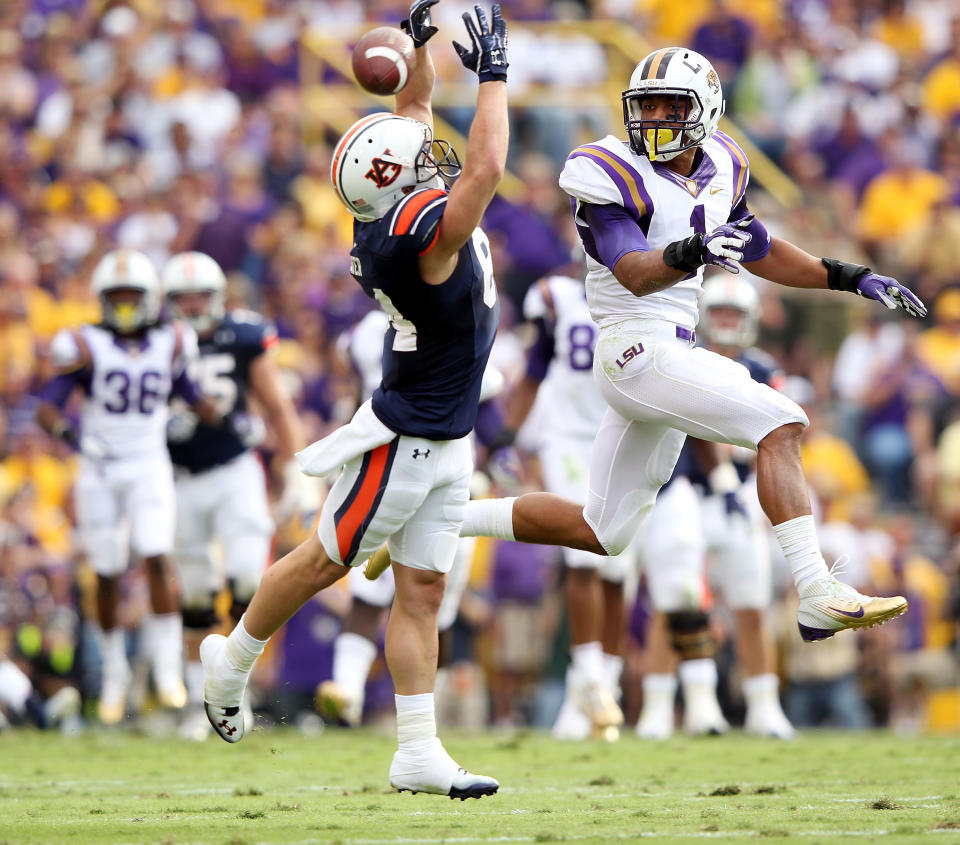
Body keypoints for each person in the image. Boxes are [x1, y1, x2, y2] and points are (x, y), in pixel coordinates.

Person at [459, 46, 924, 648]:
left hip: (661, 357)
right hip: (635, 347)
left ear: (706, 111)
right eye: (643, 105)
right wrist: (694, 251)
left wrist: (849, 276)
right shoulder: (604, 168)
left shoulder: (725, 162)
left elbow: (756, 246)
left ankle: (445, 521)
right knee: (782, 421)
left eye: (667, 106)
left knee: (603, 532)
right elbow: (633, 270)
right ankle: (816, 593)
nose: (651, 118)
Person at [200, 1, 508, 800]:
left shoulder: (391, 213)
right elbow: (485, 171)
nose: (431, 155)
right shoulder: (419, 240)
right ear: (403, 182)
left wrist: (413, 46)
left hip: (448, 434)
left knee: (423, 590)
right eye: (420, 162)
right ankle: (228, 666)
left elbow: (413, 106)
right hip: (406, 434)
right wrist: (496, 76)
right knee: (321, 560)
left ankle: (416, 749)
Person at [35, 249, 222, 725]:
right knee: (106, 569)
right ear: (101, 299)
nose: (122, 304)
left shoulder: (170, 341)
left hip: (147, 463)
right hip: (98, 467)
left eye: (130, 295)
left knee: (156, 553)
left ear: (148, 299)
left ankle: (167, 671)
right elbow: (48, 407)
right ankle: (116, 674)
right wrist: (71, 436)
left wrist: (216, 416)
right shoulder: (84, 343)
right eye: (114, 296)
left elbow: (189, 394)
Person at [635, 275, 794, 740]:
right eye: (720, 313)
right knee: (676, 600)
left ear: (750, 321)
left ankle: (764, 707)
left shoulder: (763, 369)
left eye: (735, 314)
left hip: (740, 497)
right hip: (686, 493)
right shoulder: (689, 361)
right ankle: (661, 705)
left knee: (750, 603)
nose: (726, 322)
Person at [162, 250, 312, 741]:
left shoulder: (243, 336)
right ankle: (194, 703)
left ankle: (236, 695)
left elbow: (277, 405)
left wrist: (294, 469)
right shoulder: (158, 342)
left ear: (218, 298)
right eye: (181, 298)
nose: (190, 306)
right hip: (178, 475)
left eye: (198, 296)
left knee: (249, 580)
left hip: (235, 471)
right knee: (197, 595)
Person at [489, 274, 630, 740]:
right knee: (583, 553)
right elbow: (534, 369)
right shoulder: (556, 297)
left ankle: (599, 692)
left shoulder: (651, 290)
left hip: (625, 437)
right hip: (569, 437)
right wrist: (508, 435)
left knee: (616, 569)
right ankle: (589, 679)